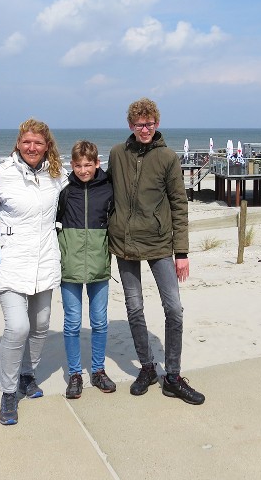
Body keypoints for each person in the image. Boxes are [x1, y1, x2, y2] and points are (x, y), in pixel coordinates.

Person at [107, 98, 205, 405]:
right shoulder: (116, 154)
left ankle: (173, 376)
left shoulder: (167, 158)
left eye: (149, 124)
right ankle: (147, 368)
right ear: (131, 126)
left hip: (160, 244)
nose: (145, 129)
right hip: (124, 244)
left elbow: (179, 203)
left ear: (156, 124)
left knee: (173, 309)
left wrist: (182, 252)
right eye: (139, 124)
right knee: (134, 308)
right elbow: (100, 191)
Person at [0, 119, 67, 425]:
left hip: (46, 262)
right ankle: (9, 394)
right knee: (18, 327)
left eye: (38, 143)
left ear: (47, 145)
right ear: (18, 144)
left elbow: (81, 192)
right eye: (27, 142)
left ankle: (27, 375)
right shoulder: (1, 175)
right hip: (11, 263)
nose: (32, 148)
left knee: (41, 325)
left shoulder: (57, 175)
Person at [57, 141, 116, 399]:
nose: (83, 170)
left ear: (97, 163)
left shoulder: (108, 190)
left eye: (88, 165)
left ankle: (98, 370)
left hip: (99, 264)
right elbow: (51, 221)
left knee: (100, 321)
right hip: (69, 264)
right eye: (78, 165)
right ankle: (74, 374)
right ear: (72, 165)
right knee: (71, 322)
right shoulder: (65, 191)